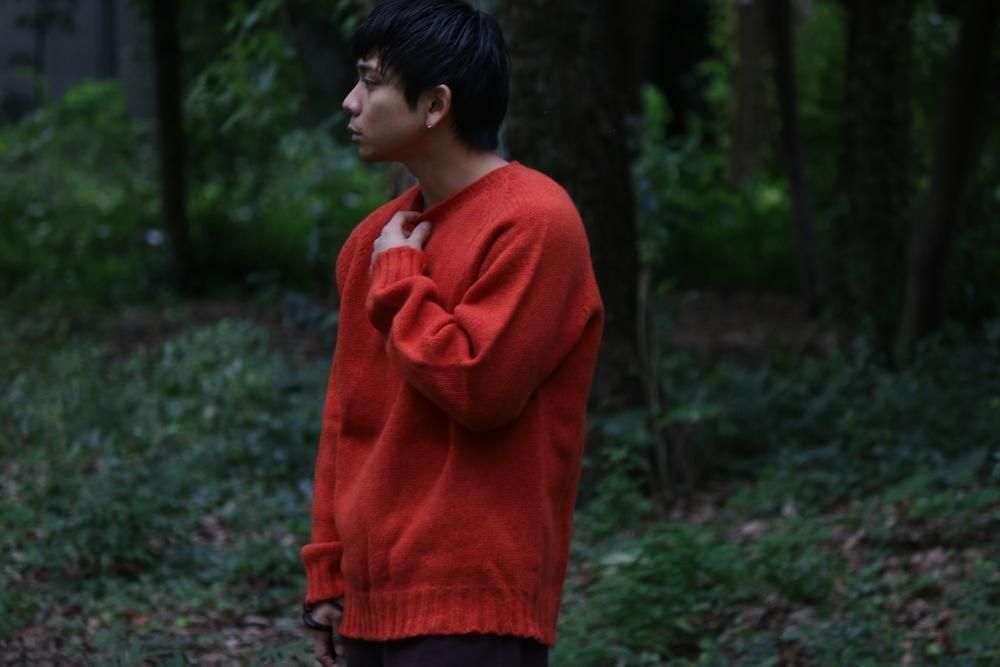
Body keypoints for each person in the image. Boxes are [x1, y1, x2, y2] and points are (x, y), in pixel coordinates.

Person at [299, 1, 604, 665]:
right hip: (370, 597)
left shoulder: (534, 222)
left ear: (436, 105)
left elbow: (479, 387)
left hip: (473, 600)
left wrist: (400, 279)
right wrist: (328, 572)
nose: (350, 101)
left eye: (371, 82)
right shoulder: (373, 241)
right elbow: (346, 418)